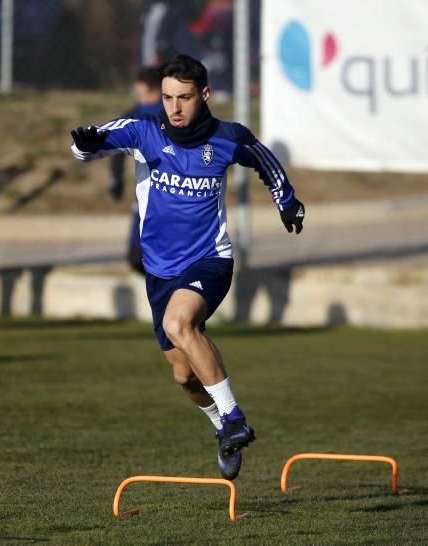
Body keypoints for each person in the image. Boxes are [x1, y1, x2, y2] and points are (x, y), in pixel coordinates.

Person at [71, 54, 305, 479]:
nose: (174, 108)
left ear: (205, 95)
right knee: (183, 375)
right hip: (160, 272)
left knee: (181, 324)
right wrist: (84, 146)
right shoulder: (143, 131)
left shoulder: (226, 137)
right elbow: (88, 145)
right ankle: (222, 427)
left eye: (184, 97)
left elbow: (264, 160)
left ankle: (234, 417)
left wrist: (287, 202)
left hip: (209, 260)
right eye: (167, 97)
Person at [109, 67, 163, 274]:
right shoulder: (134, 115)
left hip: (173, 196)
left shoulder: (173, 115)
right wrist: (116, 178)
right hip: (146, 195)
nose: (143, 99)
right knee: (136, 257)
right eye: (139, 94)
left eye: (146, 94)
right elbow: (116, 145)